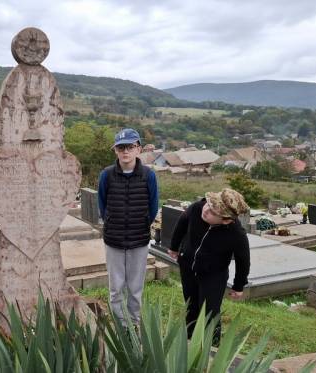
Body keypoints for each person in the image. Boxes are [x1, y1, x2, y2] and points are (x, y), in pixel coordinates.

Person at [167, 188, 250, 345]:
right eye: (209, 204)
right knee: (191, 307)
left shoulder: (236, 233)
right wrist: (174, 246)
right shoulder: (197, 208)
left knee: (209, 313)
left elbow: (243, 259)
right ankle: (189, 343)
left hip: (213, 275)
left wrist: (239, 285)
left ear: (225, 220)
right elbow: (182, 223)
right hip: (188, 268)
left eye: (213, 211)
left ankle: (211, 347)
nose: (206, 210)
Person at [98, 128, 158, 326]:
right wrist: (112, 223)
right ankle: (119, 325)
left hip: (139, 240)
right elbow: (102, 205)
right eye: (121, 148)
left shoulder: (148, 175)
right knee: (116, 287)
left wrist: (140, 224)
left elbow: (153, 206)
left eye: (130, 147)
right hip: (114, 239)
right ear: (115, 150)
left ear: (138, 149)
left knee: (135, 287)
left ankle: (134, 323)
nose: (125, 152)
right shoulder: (106, 175)